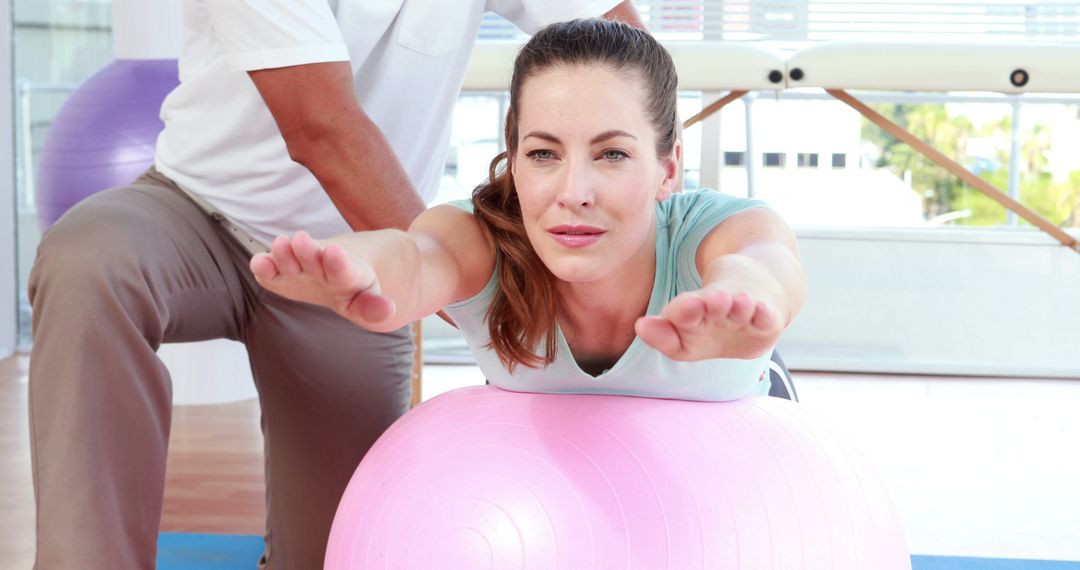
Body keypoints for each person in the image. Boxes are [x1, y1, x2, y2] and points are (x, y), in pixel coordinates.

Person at [27, 2, 643, 568]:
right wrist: (477, 294)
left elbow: (624, 51)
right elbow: (318, 126)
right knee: (88, 260)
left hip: (352, 269)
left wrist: (640, 229)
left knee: (340, 549)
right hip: (194, 212)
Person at [252, 18, 806, 403]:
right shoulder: (480, 238)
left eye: (612, 153)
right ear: (513, 160)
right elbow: (418, 258)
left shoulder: (724, 230)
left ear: (668, 168)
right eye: (544, 153)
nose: (574, 191)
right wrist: (358, 267)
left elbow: (760, 265)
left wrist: (738, 305)